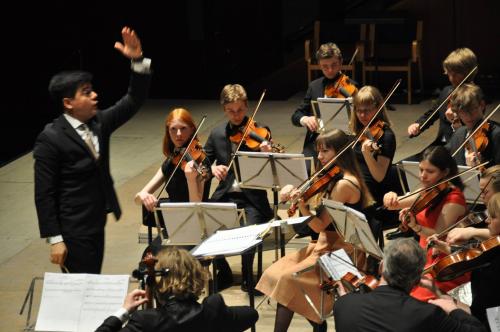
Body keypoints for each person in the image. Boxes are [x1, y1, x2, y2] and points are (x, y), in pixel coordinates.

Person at [34, 27, 152, 274]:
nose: (95, 95)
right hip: (72, 228)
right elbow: (44, 194)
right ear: (68, 103)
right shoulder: (51, 138)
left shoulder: (99, 122)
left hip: (96, 222)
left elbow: (133, 100)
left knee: (91, 280)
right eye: (86, 93)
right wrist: (55, 239)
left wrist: (137, 60)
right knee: (81, 289)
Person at [256, 129, 373, 332]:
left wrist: (302, 205)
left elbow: (318, 224)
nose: (319, 156)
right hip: (324, 244)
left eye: (324, 151)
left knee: (287, 280)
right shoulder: (331, 177)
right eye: (318, 151)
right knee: (276, 272)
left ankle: (315, 324)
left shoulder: (344, 184)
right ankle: (316, 323)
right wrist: (292, 193)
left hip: (343, 253)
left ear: (340, 152)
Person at [204, 84, 274, 292]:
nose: (236, 116)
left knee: (250, 230)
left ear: (246, 106)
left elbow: (271, 173)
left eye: (240, 110)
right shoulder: (217, 134)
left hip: (252, 198)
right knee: (205, 222)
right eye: (231, 111)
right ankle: (223, 272)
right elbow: (204, 163)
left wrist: (266, 155)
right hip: (226, 195)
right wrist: (214, 168)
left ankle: (247, 277)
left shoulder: (260, 132)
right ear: (224, 110)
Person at [333, 238, 487, 332]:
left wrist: (346, 300)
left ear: (381, 267)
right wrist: (451, 306)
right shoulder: (428, 314)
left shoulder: (343, 305)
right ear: (416, 280)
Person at [95, 247, 258, 332]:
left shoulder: (145, 321)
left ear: (158, 280)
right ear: (197, 276)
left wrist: (124, 311)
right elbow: (251, 313)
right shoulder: (212, 311)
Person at [383, 146, 468, 301]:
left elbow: (437, 236)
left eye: (430, 171)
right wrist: (390, 195)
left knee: (413, 298)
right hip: (423, 257)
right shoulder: (428, 190)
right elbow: (393, 204)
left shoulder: (454, 199)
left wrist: (415, 226)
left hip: (443, 264)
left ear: (445, 173)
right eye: (421, 170)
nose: (423, 176)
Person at [428, 192, 500, 330]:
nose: (486, 221)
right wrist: (445, 247)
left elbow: (486, 320)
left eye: (493, 217)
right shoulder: (494, 247)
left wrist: (453, 308)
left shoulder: (495, 264)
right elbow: (474, 257)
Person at [291, 42, 358, 172]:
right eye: (325, 67)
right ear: (319, 65)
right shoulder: (314, 86)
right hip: (316, 144)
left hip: (342, 143)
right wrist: (305, 119)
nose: (330, 70)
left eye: (333, 65)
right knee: (302, 172)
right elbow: (296, 115)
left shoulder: (352, 87)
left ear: (341, 62)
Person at [349, 86, 401, 236]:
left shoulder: (386, 136)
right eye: (358, 110)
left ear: (378, 107)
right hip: (358, 185)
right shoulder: (360, 130)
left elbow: (379, 176)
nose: (362, 115)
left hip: (374, 194)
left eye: (367, 110)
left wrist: (367, 154)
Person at [135, 108, 209, 208]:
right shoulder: (172, 160)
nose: (178, 134)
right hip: (173, 218)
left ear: (192, 130)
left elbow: (196, 207)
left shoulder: (201, 160)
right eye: (173, 129)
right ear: (168, 132)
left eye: (183, 128)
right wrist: (142, 195)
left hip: (195, 220)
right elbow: (138, 199)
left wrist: (191, 179)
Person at [407, 48, 478, 148]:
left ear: (469, 72)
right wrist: (418, 125)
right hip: (440, 144)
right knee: (402, 163)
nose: (451, 78)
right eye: (449, 74)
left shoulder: (475, 96)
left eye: (456, 74)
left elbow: (474, 129)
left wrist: (455, 121)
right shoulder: (447, 91)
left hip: (462, 147)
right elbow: (433, 112)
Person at [445, 83, 500, 167]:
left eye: (472, 109)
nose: (468, 116)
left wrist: (481, 167)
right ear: (457, 112)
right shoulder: (459, 133)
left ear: (482, 105)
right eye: (463, 111)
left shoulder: (496, 134)